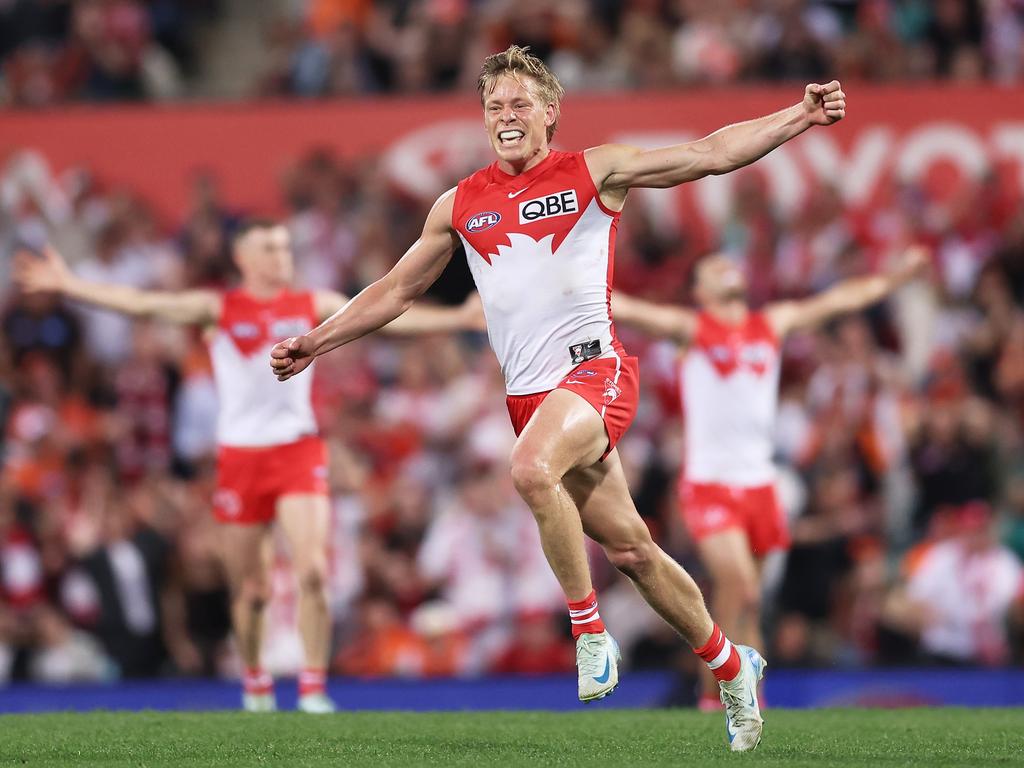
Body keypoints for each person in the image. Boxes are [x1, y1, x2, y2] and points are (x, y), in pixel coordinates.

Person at [269, 44, 848, 750]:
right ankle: (732, 664)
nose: (505, 117)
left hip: (595, 374)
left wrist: (799, 114)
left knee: (527, 468)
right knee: (634, 551)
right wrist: (316, 342)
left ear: (550, 112)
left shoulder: (593, 170)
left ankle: (588, 632)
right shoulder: (458, 204)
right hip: (531, 398)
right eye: (493, 107)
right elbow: (395, 290)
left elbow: (708, 154)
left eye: (519, 104)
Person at [13, 220, 480, 713]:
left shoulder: (311, 303)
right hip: (240, 457)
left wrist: (456, 318)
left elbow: (388, 313)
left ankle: (313, 687)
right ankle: (255, 680)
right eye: (268, 248)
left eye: (283, 247)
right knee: (251, 587)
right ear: (244, 259)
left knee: (314, 571)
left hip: (297, 450)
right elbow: (145, 303)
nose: (281, 256)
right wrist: (69, 285)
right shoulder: (219, 308)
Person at [612, 246, 929, 708]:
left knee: (752, 600)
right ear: (700, 290)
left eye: (728, 263)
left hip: (761, 483)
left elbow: (839, 300)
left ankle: (749, 704)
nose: (725, 265)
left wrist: (895, 279)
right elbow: (628, 308)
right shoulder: (693, 328)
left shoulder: (772, 323)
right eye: (711, 267)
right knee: (736, 585)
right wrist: (564, 280)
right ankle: (712, 697)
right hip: (709, 483)